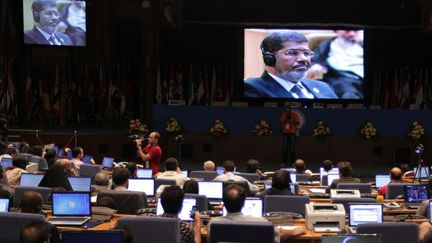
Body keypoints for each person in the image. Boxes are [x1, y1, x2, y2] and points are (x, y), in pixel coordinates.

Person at [244, 31, 338, 98]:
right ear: (269, 59)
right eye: (292, 53)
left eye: (306, 53)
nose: (303, 59)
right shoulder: (251, 88)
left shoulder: (325, 87)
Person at [207, 184, 306, 241]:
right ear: (243, 203)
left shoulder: (213, 223)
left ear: (223, 203)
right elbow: (279, 235)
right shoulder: (261, 223)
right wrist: (298, 230)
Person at [309, 30, 364, 99]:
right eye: (347, 31)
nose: (352, 34)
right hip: (341, 79)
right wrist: (317, 67)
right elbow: (315, 61)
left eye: (355, 30)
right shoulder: (327, 45)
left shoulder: (362, 44)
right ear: (337, 31)